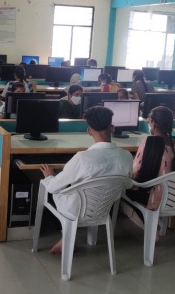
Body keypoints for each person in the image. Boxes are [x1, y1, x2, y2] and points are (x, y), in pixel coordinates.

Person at [39, 106, 133, 255]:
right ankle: (67, 238)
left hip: (76, 211)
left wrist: (49, 176)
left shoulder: (82, 158)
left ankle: (67, 237)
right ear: (113, 128)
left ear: (89, 131)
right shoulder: (127, 156)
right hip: (104, 209)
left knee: (50, 190)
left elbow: (53, 187)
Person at [125, 106, 175, 212]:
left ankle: (143, 219)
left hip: (155, 200)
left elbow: (135, 173)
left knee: (122, 190)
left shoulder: (149, 142)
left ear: (153, 123)